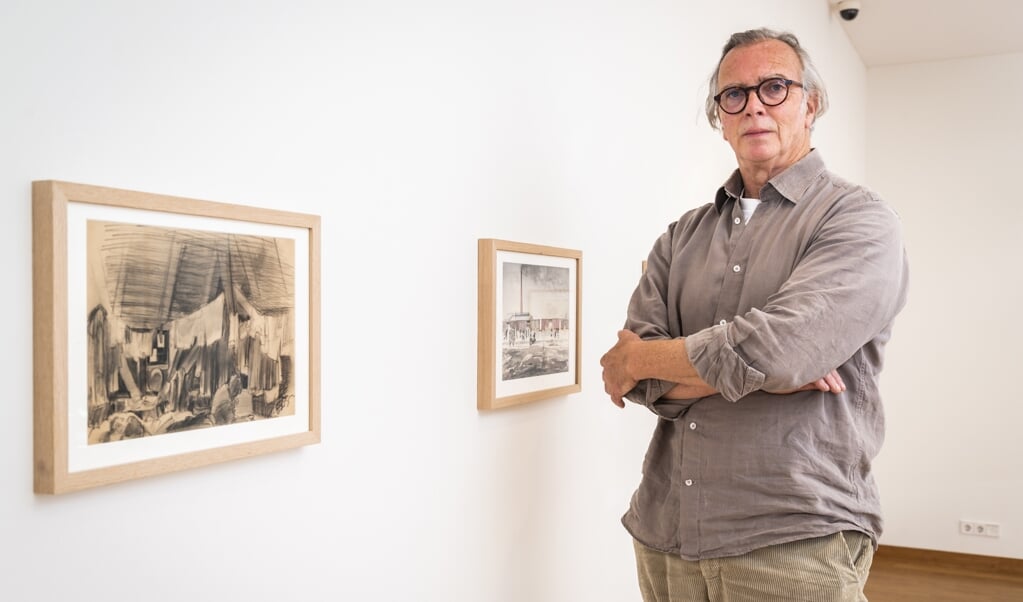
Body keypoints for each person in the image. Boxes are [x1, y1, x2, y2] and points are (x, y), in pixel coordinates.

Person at [600, 28, 909, 601]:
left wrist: (648, 358)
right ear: (719, 115)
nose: (754, 107)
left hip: (793, 537)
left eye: (774, 87)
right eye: (734, 95)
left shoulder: (858, 220)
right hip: (666, 530)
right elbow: (635, 384)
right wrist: (765, 373)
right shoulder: (680, 236)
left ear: (810, 102)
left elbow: (780, 351)